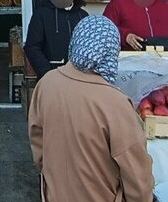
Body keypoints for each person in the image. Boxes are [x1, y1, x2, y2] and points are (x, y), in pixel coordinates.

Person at [28, 15, 155, 202]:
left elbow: (38, 143)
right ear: (111, 52)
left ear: (76, 42)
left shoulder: (47, 83)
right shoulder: (115, 103)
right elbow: (137, 175)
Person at [24, 0, 87, 79]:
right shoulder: (41, 15)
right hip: (50, 78)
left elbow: (89, 46)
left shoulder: (83, 16)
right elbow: (32, 47)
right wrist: (47, 72)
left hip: (79, 78)